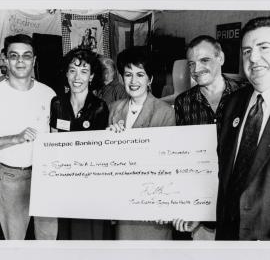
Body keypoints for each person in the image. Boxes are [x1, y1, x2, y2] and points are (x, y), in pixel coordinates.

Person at [173, 35, 246, 239]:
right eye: (191, 64)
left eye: (204, 60)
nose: (196, 70)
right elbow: (182, 158)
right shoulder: (183, 103)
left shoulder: (245, 96)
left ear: (220, 57)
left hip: (238, 207)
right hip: (200, 208)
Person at [108, 46, 175, 240]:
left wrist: (166, 204)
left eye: (140, 74)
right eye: (128, 74)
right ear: (121, 78)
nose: (133, 81)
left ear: (150, 79)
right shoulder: (113, 109)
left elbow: (169, 164)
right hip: (123, 202)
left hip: (153, 203)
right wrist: (109, 140)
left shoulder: (165, 112)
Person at [216, 16, 270, 240]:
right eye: (247, 51)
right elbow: (221, 168)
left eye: (264, 47)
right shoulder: (232, 103)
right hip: (228, 237)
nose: (254, 58)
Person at [0, 34, 57, 240]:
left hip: (46, 176)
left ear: (34, 60)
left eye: (27, 56)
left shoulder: (49, 94)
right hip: (10, 178)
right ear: (5, 59)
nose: (21, 61)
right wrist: (15, 138)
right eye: (14, 56)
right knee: (15, 242)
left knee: (47, 239)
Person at [50, 47, 110, 240]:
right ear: (66, 73)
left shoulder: (99, 107)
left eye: (84, 71)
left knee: (89, 237)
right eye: (72, 70)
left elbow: (100, 153)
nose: (77, 77)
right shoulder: (57, 103)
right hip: (63, 184)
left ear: (92, 76)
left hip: (90, 185)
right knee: (66, 236)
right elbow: (53, 145)